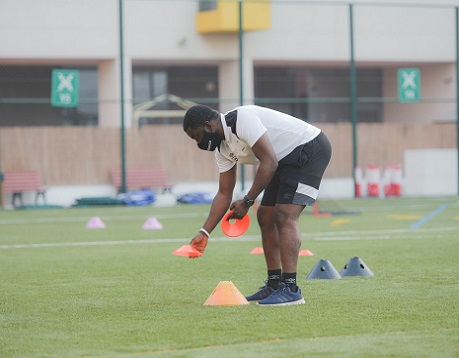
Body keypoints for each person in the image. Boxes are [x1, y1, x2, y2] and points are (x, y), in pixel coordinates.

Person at [183, 104, 332, 306]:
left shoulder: (241, 119)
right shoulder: (222, 149)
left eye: (196, 137)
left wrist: (247, 201)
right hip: (282, 160)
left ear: (208, 126)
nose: (198, 143)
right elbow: (224, 193)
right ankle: (274, 284)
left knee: (284, 214)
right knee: (265, 215)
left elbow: (268, 162)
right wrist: (204, 232)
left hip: (308, 146)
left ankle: (291, 289)